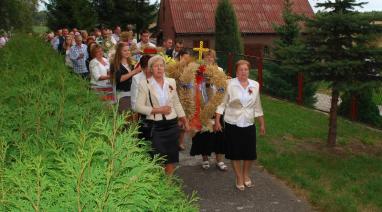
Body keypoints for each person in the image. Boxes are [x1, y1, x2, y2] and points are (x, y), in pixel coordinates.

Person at [214, 60, 266, 191]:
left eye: (246, 69)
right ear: (236, 72)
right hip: (233, 122)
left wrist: (261, 124)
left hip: (248, 122)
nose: (244, 72)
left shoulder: (255, 85)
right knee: (235, 152)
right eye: (241, 69)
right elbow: (222, 103)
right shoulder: (229, 84)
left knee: (250, 153)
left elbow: (257, 105)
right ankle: (238, 177)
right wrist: (217, 121)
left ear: (249, 71)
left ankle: (246, 175)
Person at [135, 55, 189, 175]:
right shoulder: (144, 84)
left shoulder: (171, 82)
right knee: (157, 159)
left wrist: (184, 119)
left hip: (172, 125)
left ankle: (168, 185)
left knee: (170, 158)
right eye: (155, 66)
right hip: (156, 126)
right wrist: (159, 110)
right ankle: (158, 186)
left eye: (161, 66)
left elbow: (176, 102)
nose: (159, 68)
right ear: (150, 69)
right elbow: (138, 107)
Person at [190, 49, 227, 171]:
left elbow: (223, 88)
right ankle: (205, 159)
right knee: (203, 135)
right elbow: (194, 87)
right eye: (207, 56)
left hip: (216, 107)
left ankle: (219, 160)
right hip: (202, 107)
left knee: (219, 134)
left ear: (214, 58)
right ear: (204, 58)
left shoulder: (219, 70)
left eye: (212, 57)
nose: (210, 59)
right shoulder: (199, 71)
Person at [111, 42, 142, 113]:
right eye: (124, 51)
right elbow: (120, 79)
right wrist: (135, 71)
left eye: (128, 50)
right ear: (119, 52)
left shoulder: (131, 62)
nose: (127, 52)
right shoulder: (115, 64)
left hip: (133, 92)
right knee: (126, 117)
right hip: (123, 95)